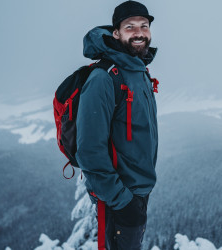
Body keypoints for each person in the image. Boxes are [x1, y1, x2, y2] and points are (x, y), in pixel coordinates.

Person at [75, 1, 158, 249]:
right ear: (116, 33)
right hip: (119, 197)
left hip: (138, 192)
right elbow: (89, 150)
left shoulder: (139, 71)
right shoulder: (104, 78)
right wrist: (121, 200)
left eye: (144, 26)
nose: (139, 33)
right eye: (130, 27)